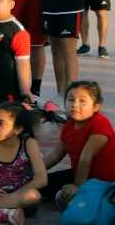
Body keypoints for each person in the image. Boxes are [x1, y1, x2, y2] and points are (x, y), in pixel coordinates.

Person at [42, 81, 115, 209]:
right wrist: (32, 171)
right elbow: (54, 156)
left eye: (82, 101)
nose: (75, 105)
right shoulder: (68, 127)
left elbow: (86, 157)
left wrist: (77, 185)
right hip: (81, 175)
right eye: (70, 100)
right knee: (41, 183)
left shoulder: (100, 123)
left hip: (106, 181)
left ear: (96, 106)